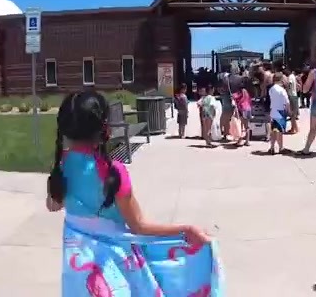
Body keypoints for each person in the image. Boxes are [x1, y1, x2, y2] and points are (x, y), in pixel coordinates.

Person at [46, 91, 212, 295]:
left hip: (77, 276)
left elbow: (53, 204)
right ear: (103, 128)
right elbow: (139, 225)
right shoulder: (113, 173)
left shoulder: (61, 165)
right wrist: (186, 229)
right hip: (113, 272)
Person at [268, 72, 290, 155]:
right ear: (281, 79)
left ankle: (272, 147)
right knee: (279, 131)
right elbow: (287, 102)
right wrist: (289, 111)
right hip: (280, 111)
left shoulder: (271, 89)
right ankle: (281, 147)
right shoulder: (282, 90)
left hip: (273, 111)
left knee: (273, 130)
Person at [232, 76, 253, 146]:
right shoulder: (247, 92)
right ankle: (247, 141)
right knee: (247, 126)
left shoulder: (241, 92)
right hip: (248, 109)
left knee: (241, 125)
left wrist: (233, 96)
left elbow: (236, 97)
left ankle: (240, 140)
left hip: (242, 109)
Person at [286, 68, 300, 134]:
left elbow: (290, 84)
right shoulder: (293, 76)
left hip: (291, 95)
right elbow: (298, 86)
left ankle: (293, 129)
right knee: (293, 113)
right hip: (294, 95)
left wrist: (286, 90)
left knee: (292, 114)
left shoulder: (290, 77)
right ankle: (295, 128)